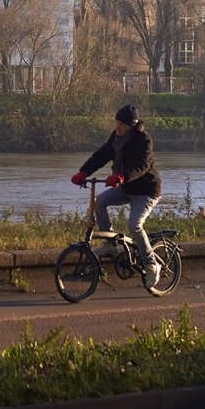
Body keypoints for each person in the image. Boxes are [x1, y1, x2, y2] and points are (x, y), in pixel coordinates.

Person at [71, 104, 163, 287]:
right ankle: (111, 245)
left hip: (146, 191)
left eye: (121, 124)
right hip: (126, 188)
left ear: (132, 125)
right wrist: (83, 172)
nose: (117, 127)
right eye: (116, 123)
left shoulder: (144, 140)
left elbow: (142, 166)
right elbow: (102, 155)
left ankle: (152, 264)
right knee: (100, 202)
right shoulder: (116, 137)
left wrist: (122, 176)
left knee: (134, 225)